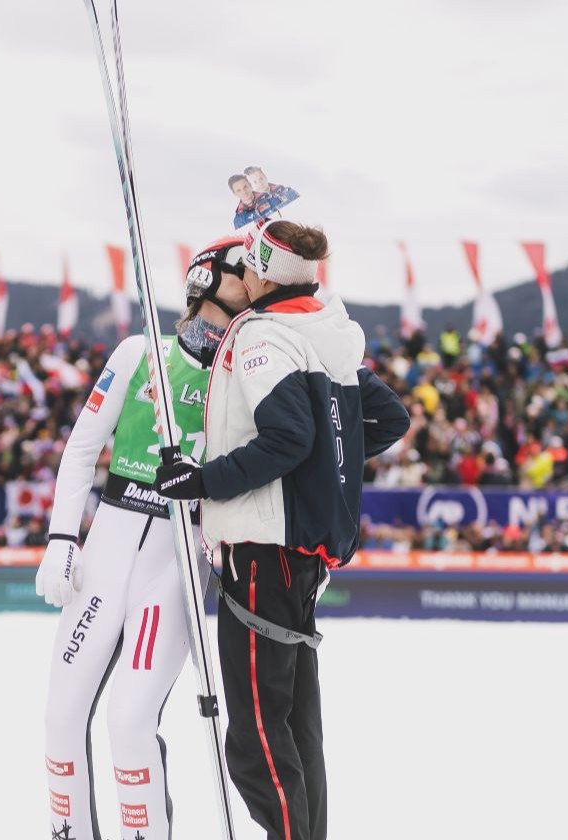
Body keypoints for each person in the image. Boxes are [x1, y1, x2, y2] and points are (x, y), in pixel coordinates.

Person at [156, 220, 410, 840]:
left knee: (256, 736)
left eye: (247, 265)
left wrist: (203, 480)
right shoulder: (327, 330)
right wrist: (321, 474)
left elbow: (289, 438)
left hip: (262, 551)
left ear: (265, 275)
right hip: (302, 554)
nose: (240, 274)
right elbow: (387, 419)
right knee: (296, 724)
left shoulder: (263, 337)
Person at [37, 237, 251, 840]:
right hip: (107, 546)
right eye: (243, 270)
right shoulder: (140, 354)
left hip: (176, 562)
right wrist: (61, 538)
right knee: (60, 717)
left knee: (129, 722)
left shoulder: (247, 370)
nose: (254, 280)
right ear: (207, 278)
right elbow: (81, 450)